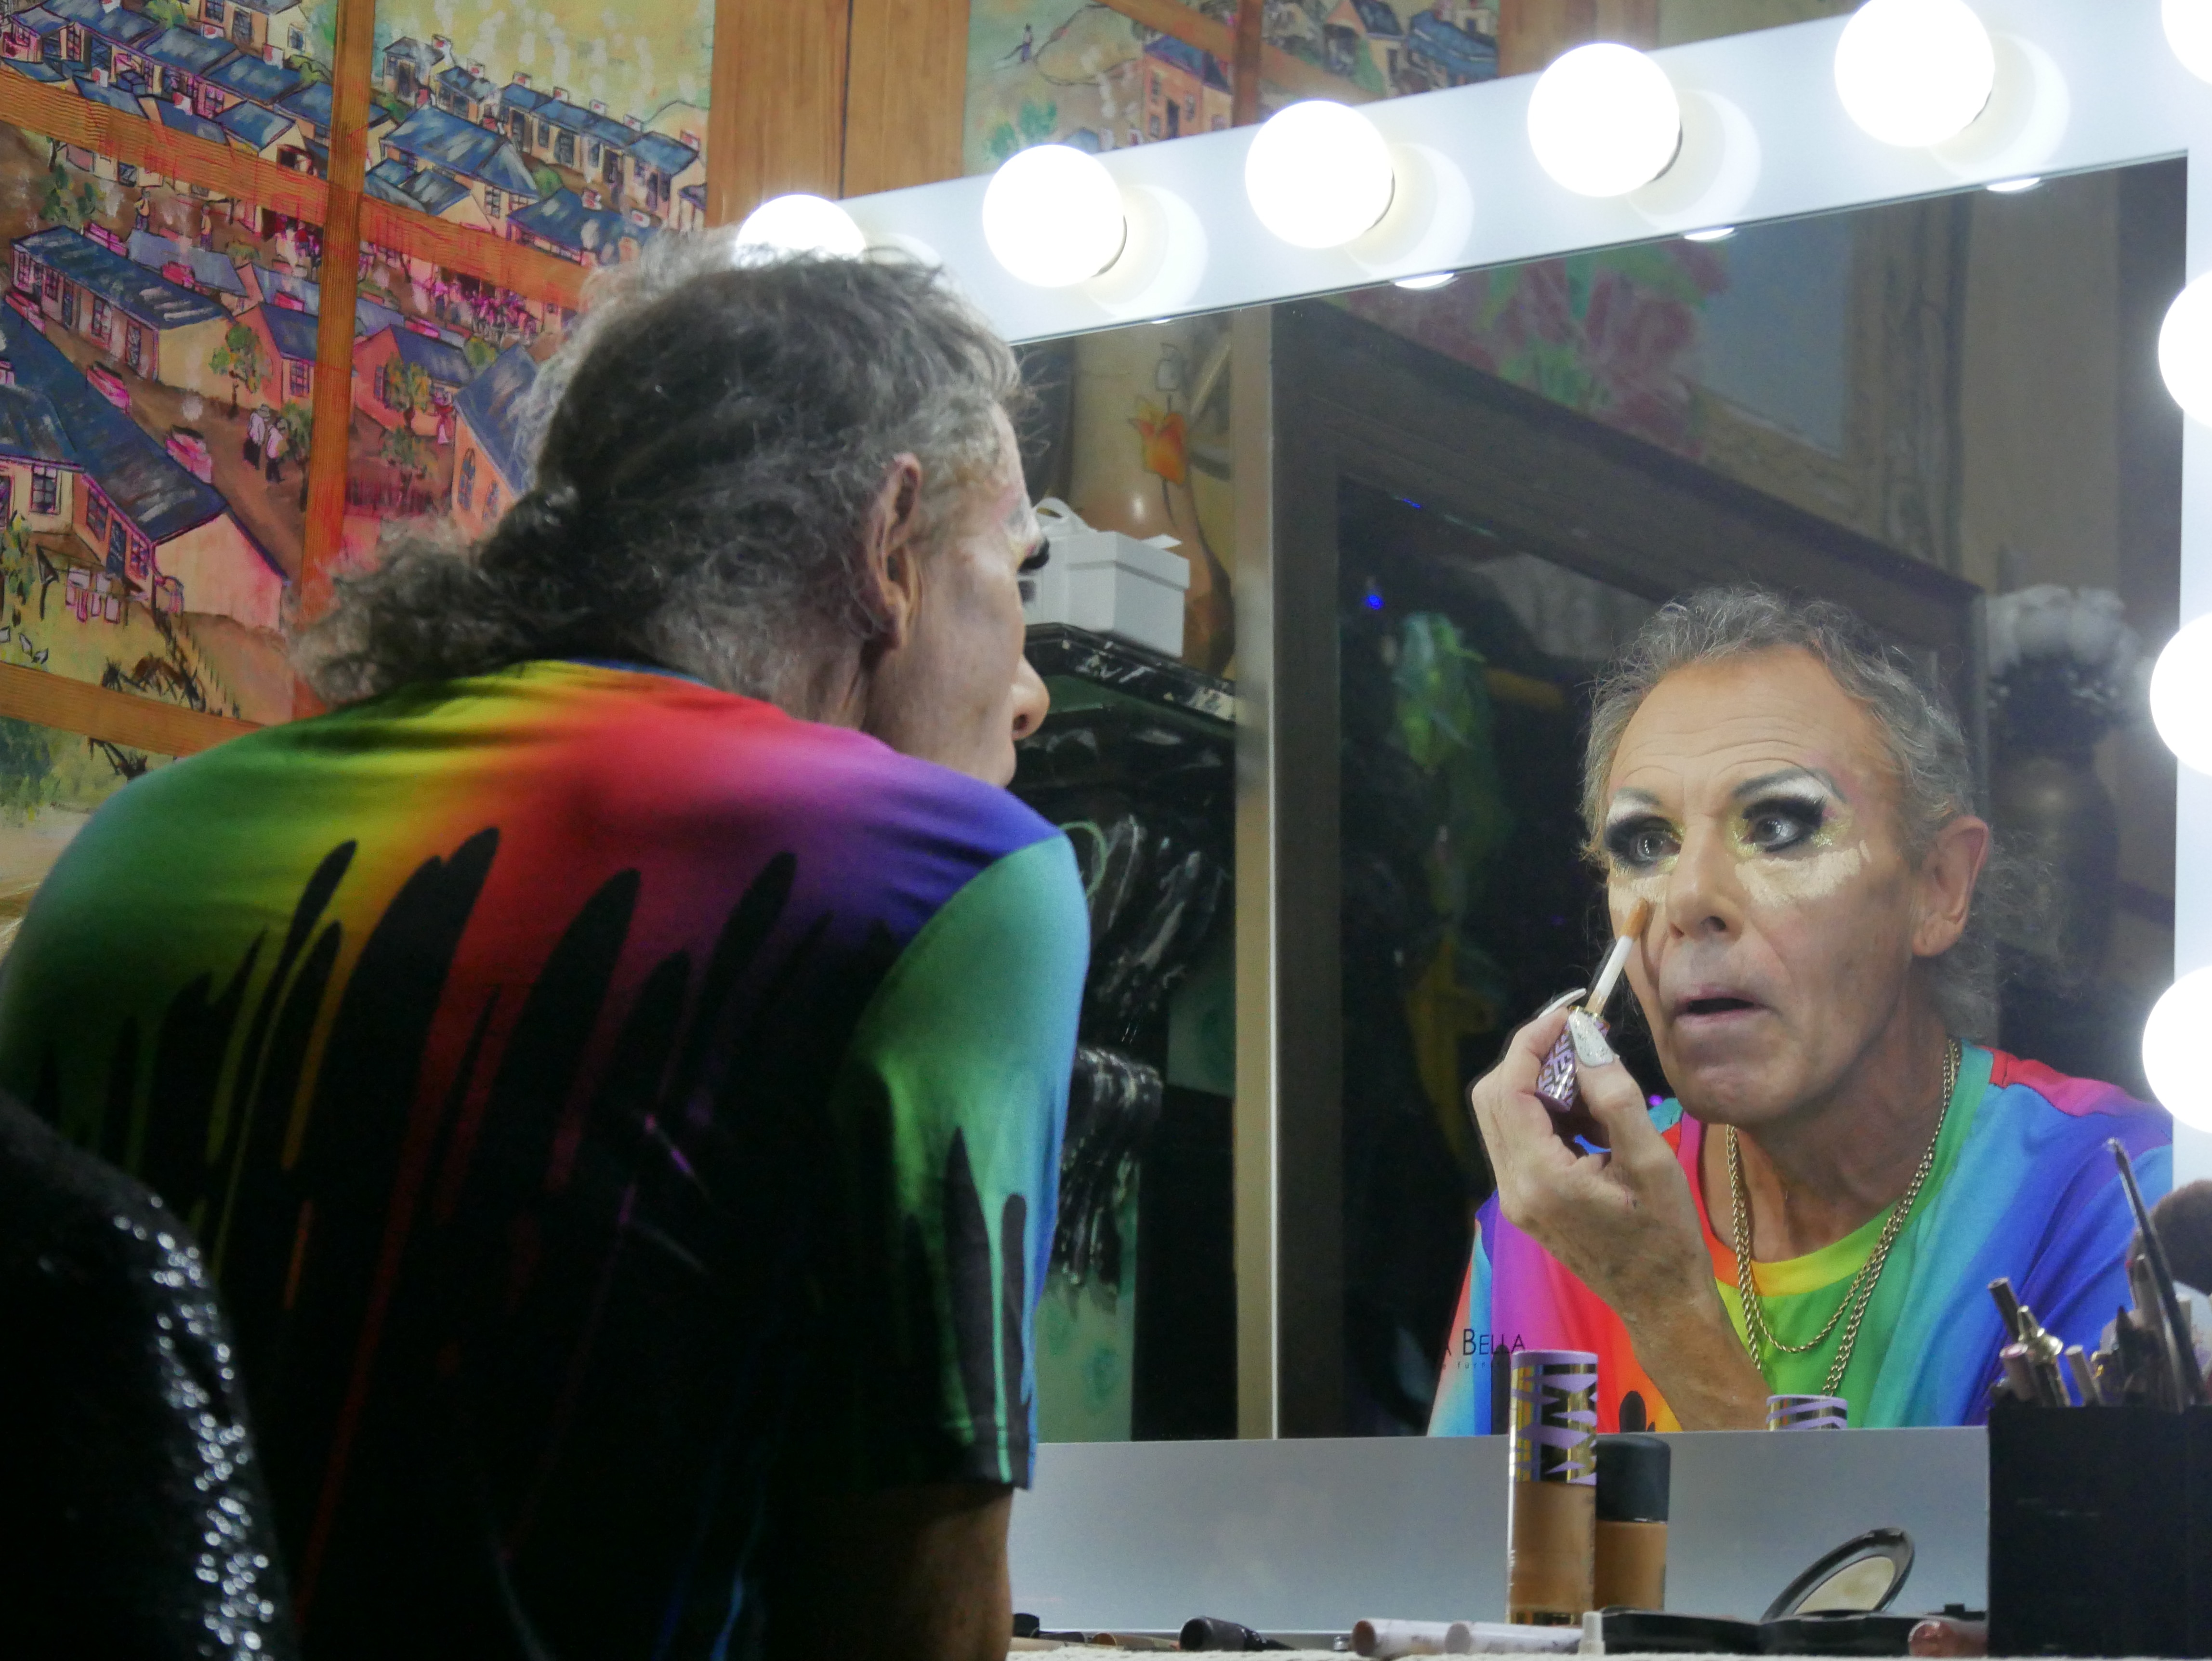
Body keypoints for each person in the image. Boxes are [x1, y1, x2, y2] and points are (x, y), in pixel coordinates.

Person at [0, 243, 1086, 1661]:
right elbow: (912, 1602)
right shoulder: (950, 874)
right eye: (1011, 567)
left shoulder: (137, 841)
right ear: (888, 544)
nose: (1035, 691)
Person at [1429, 588, 2170, 1436]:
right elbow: (1451, 1569)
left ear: (1939, 886)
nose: (1690, 900)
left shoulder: (2118, 1203)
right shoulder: (1559, 1224)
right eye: (1646, 844)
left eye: (1778, 825)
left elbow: (1950, 1575)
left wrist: (1669, 1316)